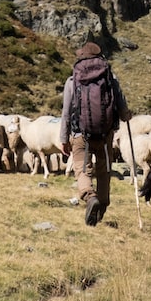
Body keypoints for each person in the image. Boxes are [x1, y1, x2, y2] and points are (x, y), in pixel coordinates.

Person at [59, 40, 131, 227]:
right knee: (104, 171)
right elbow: (121, 105)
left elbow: (66, 112)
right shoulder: (110, 78)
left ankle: (90, 196)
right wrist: (126, 115)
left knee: (82, 169)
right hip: (105, 134)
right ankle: (102, 205)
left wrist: (63, 138)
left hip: (80, 134)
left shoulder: (72, 81)